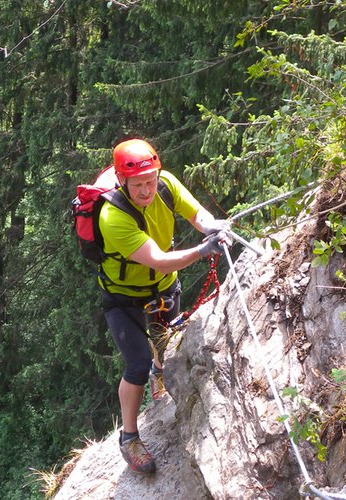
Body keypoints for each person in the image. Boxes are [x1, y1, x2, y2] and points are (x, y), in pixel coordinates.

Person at [98, 138, 232, 474]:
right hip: (123, 297)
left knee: (167, 346)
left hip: (161, 289)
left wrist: (211, 225)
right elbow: (158, 260)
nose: (146, 191)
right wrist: (203, 250)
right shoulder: (112, 216)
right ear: (121, 181)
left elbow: (196, 213)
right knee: (137, 364)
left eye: (150, 182)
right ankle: (129, 438)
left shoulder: (166, 184)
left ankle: (162, 371)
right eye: (138, 185)